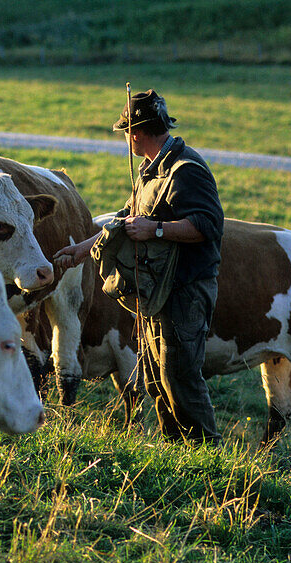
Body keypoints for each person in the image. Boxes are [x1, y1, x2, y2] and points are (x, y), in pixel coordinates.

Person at [55, 87, 224, 444]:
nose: (126, 139)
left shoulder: (186, 170)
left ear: (137, 132)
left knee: (180, 376)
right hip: (155, 290)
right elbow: (124, 220)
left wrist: (156, 229)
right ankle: (176, 448)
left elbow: (208, 226)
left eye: (126, 132)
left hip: (185, 290)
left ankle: (206, 455)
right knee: (154, 377)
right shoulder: (150, 171)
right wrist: (81, 252)